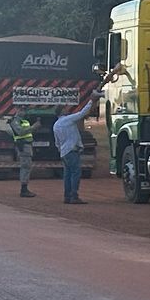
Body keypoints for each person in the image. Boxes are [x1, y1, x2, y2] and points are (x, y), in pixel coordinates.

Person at [52, 72, 116, 205]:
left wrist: (60, 151)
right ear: (62, 112)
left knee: (67, 174)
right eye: (64, 109)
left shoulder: (56, 125)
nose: (66, 110)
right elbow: (82, 113)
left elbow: (57, 142)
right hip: (72, 150)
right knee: (76, 173)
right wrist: (92, 100)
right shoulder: (68, 120)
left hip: (64, 152)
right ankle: (74, 196)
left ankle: (67, 196)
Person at [10, 110, 36, 198]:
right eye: (21, 109)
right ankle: (24, 189)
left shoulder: (23, 120)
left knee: (27, 166)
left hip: (26, 146)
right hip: (23, 145)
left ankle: (24, 188)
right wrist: (34, 127)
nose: (24, 111)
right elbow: (20, 132)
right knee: (25, 167)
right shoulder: (15, 121)